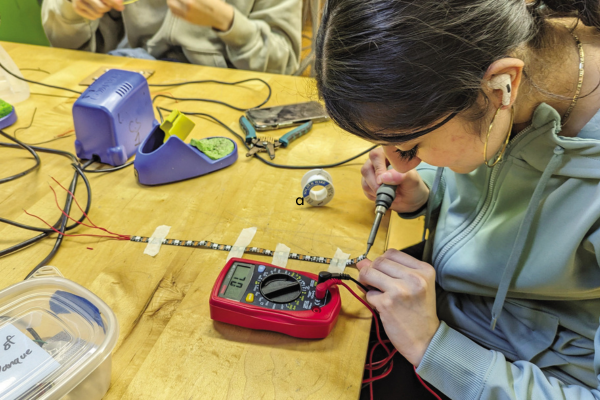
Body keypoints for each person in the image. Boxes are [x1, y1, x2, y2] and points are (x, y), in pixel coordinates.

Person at [315, 0, 600, 399]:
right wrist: (428, 189)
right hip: (450, 310)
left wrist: (436, 348)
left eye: (411, 144)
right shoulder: (521, 46)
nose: (394, 162)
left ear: (502, 85)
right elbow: (498, 173)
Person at [41, 0, 301, 74]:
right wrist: (71, 9)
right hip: (139, 79)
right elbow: (70, 50)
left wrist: (226, 21)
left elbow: (284, 63)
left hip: (236, 90)